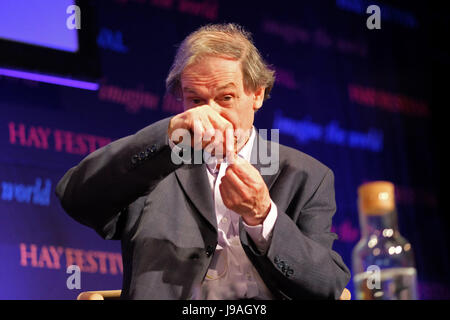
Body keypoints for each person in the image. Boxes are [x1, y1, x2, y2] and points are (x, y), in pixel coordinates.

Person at [56, 23, 350, 300]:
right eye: (195, 101)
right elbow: (77, 199)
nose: (209, 117)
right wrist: (169, 134)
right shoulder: (152, 169)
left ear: (257, 94)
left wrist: (264, 217)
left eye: (225, 98)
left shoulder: (305, 175)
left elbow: (327, 286)